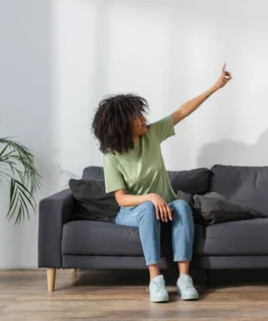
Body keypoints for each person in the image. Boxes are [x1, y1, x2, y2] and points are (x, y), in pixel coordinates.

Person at [91, 64, 232, 303]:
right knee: (147, 207)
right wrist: (150, 197)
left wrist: (216, 86)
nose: (144, 118)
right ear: (123, 125)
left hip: (164, 206)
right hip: (132, 211)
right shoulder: (112, 156)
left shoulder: (151, 135)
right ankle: (155, 280)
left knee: (181, 206)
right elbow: (121, 198)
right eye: (137, 116)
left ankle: (184, 279)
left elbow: (182, 111)